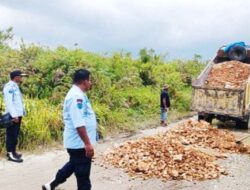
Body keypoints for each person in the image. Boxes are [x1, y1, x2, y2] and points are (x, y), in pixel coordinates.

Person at [42, 69, 97, 190]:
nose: (91, 83)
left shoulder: (79, 94)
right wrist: (87, 144)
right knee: (83, 176)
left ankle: (51, 185)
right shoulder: (75, 97)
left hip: (78, 143)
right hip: (79, 144)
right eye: (90, 80)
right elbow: (79, 123)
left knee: (73, 164)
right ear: (84, 81)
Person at [3, 70, 27, 163]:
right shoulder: (9, 87)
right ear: (15, 77)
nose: (21, 78)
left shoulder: (15, 86)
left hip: (18, 114)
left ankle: (13, 151)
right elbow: (9, 102)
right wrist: (14, 115)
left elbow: (18, 101)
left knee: (15, 134)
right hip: (13, 116)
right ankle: (10, 154)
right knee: (11, 135)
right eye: (20, 76)